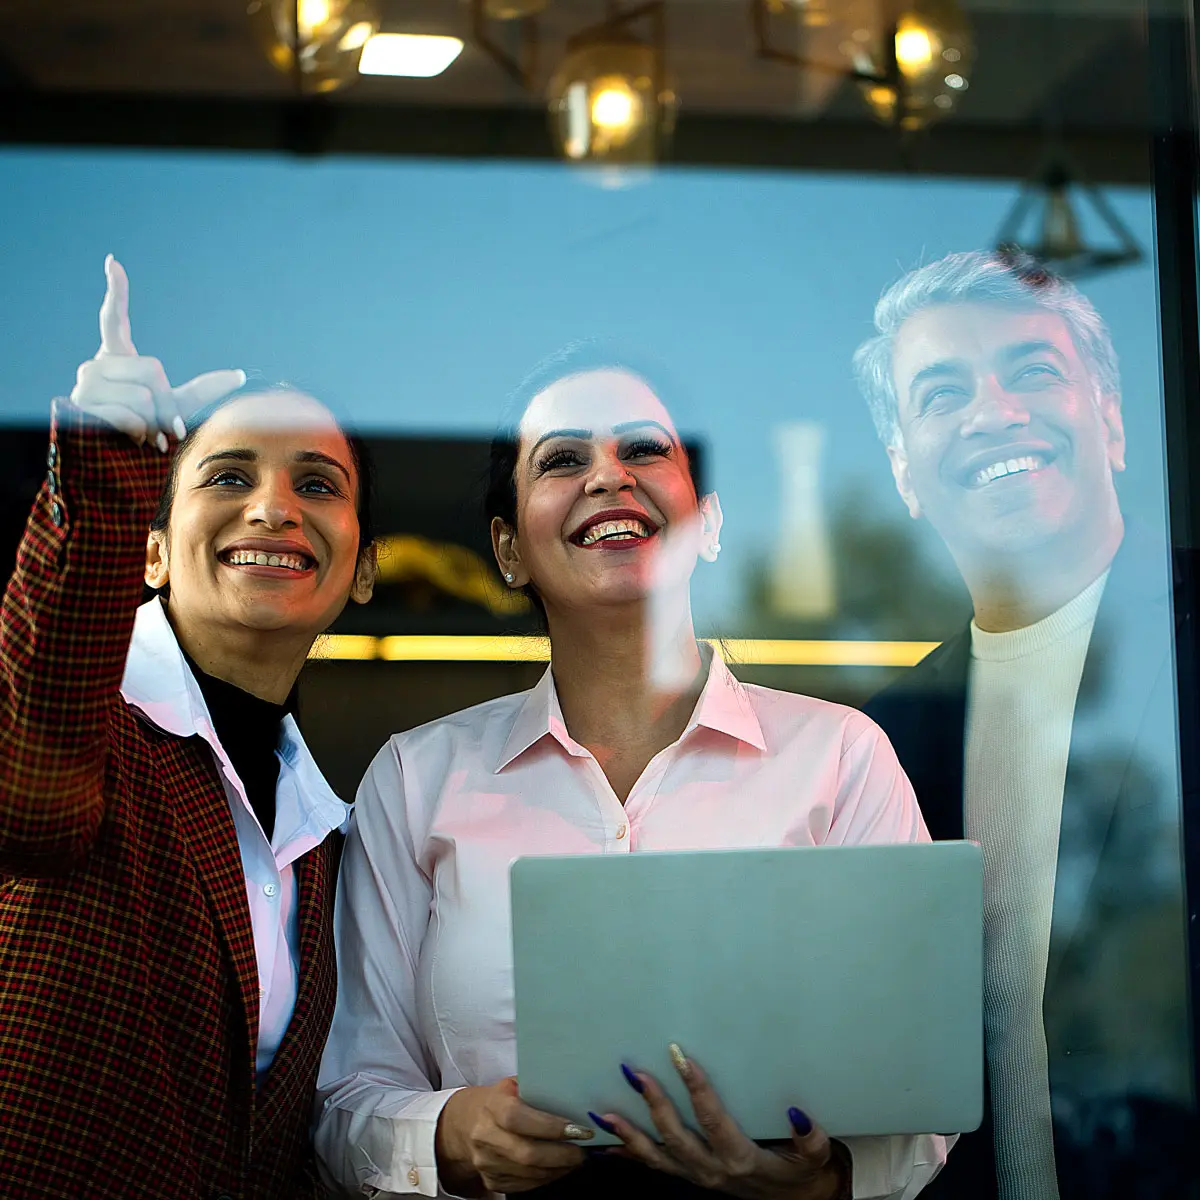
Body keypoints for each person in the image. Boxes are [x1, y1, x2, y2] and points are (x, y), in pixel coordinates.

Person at [314, 343, 950, 1200]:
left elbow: (922, 1091)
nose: (609, 477)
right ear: (508, 549)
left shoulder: (840, 757)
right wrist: (451, 1136)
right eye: (563, 460)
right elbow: (342, 1103)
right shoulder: (414, 778)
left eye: (645, 449)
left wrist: (818, 1180)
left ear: (711, 521)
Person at [0, 256, 376, 1198]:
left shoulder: (331, 832)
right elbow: (27, 788)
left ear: (361, 572)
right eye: (228, 475)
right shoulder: (86, 718)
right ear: (155, 549)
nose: (275, 505)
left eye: (319, 484)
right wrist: (105, 462)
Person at [854, 250, 1194, 1199]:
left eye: (1034, 372)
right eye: (940, 392)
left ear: (1114, 420)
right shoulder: (879, 743)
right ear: (904, 472)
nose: (994, 412)